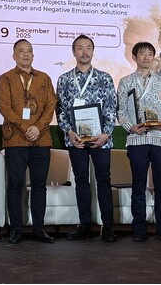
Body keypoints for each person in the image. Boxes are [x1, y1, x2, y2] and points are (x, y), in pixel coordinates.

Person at [56, 34, 118, 242]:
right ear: (74, 52)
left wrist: (106, 133)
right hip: (76, 140)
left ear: (93, 51)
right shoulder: (64, 79)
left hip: (101, 139)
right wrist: (69, 132)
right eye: (80, 48)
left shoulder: (104, 78)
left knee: (104, 180)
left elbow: (111, 108)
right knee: (81, 180)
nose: (85, 52)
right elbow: (61, 110)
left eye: (88, 47)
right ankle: (84, 225)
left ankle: (107, 226)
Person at [0, 39, 57, 244]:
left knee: (40, 186)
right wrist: (25, 127)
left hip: (41, 139)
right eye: (21, 51)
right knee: (15, 185)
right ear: (14, 56)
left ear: (33, 55)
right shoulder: (6, 78)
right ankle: (16, 230)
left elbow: (51, 105)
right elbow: (5, 108)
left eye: (29, 51)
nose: (25, 54)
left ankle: (39, 229)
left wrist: (37, 127)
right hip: (15, 140)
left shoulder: (44, 78)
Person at [116, 42, 161, 242]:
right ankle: (139, 229)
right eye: (142, 54)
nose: (147, 57)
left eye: (150, 54)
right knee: (138, 184)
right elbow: (121, 110)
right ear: (134, 57)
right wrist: (130, 127)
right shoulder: (125, 82)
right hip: (137, 138)